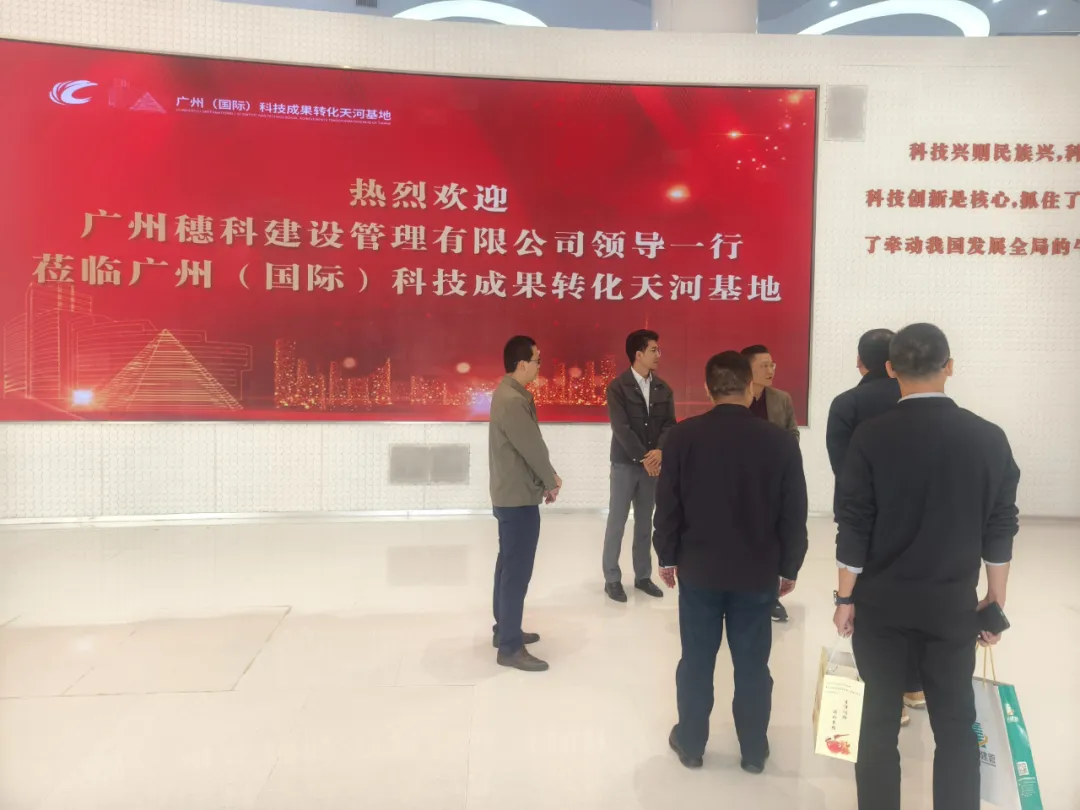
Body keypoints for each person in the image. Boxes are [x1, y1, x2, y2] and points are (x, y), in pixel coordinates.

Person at [833, 323, 1020, 810]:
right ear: (950, 367)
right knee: (956, 724)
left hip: (881, 606)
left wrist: (845, 597)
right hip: (951, 605)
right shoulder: (988, 438)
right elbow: (1000, 524)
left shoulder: (870, 437)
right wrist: (994, 597)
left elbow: (854, 524)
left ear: (890, 369)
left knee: (876, 722)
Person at [655, 351, 808, 774]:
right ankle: (754, 751)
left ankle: (691, 744)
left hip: (699, 570)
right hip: (757, 572)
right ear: (750, 387)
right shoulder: (779, 441)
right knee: (753, 665)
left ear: (708, 389)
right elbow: (794, 511)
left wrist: (666, 555)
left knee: (696, 661)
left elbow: (667, 505)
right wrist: (790, 566)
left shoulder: (683, 437)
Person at [825, 328, 922, 725]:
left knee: (871, 605)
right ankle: (913, 685)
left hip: (864, 521)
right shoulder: (915, 400)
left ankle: (888, 699)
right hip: (918, 517)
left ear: (860, 362)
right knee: (914, 597)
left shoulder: (846, 404)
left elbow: (842, 468)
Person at [489, 335, 563, 673]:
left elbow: (529, 448)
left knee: (507, 565)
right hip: (517, 498)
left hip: (511, 494)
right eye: (537, 360)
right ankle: (509, 647)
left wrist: (547, 476)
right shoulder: (513, 401)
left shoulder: (507, 394)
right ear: (522, 364)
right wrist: (551, 480)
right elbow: (532, 448)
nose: (539, 366)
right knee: (516, 573)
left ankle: (504, 629)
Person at [601, 329, 676, 602]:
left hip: (652, 467)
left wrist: (660, 451)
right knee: (617, 522)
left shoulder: (663, 389)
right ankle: (612, 578)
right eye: (653, 349)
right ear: (638, 354)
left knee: (645, 523)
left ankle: (643, 576)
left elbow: (669, 425)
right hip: (625, 464)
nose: (658, 355)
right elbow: (621, 428)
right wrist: (646, 458)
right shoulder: (617, 387)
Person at [740, 344, 800, 624]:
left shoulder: (781, 399)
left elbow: (792, 434)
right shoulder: (735, 397)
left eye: (772, 364)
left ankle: (771, 596)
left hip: (773, 479)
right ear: (747, 369)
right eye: (763, 365)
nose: (770, 370)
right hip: (740, 480)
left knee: (772, 538)